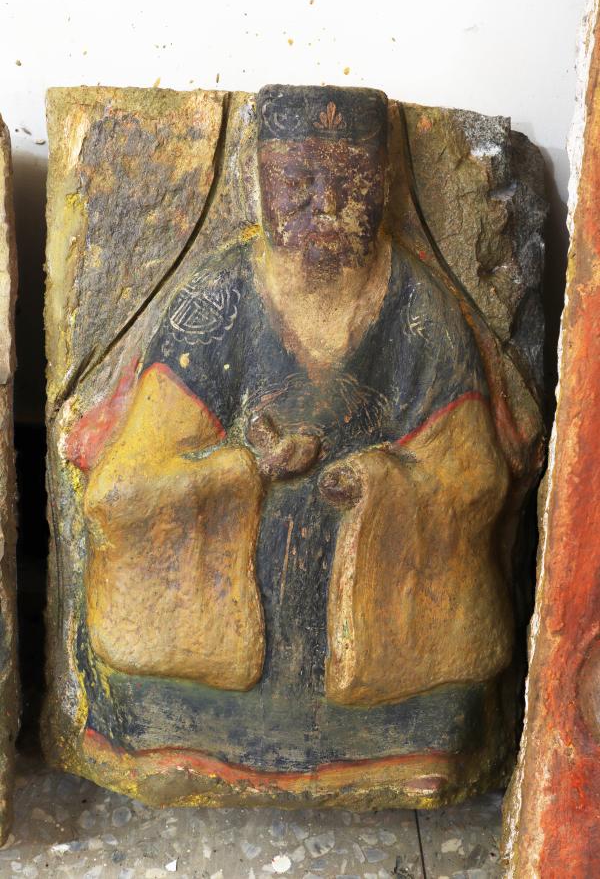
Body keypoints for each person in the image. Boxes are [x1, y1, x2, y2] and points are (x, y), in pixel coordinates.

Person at [68, 85, 513, 778]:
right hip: (229, 611)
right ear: (259, 185)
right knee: (144, 710)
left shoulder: (419, 310)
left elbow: (475, 476)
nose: (324, 203)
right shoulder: (217, 300)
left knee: (447, 720)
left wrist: (376, 482)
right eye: (297, 181)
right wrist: (245, 470)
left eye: (350, 180)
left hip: (374, 625)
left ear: (385, 183)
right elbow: (124, 483)